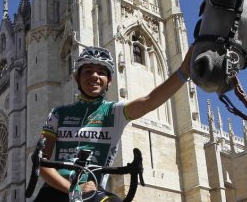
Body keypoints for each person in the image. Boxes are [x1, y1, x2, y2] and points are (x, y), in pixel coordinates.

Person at [34, 45, 193, 201]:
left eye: (101, 72)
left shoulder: (115, 112)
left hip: (92, 190)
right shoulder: (58, 114)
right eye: (88, 71)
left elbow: (149, 101)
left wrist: (184, 72)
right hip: (56, 190)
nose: (94, 76)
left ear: (109, 81)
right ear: (77, 78)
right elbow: (42, 161)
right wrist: (73, 189)